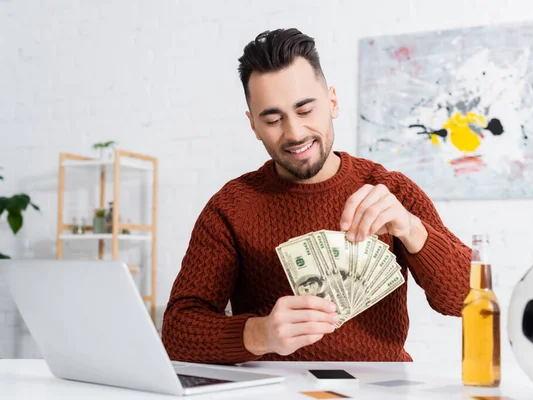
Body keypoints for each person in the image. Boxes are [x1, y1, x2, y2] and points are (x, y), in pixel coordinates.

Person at [161, 28, 471, 364]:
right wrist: (260, 334)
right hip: (274, 390)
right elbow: (178, 331)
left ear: (332, 102)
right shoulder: (230, 208)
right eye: (273, 119)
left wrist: (412, 229)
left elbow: (468, 299)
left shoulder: (390, 191)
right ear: (253, 126)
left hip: (380, 388)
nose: (294, 133)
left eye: (305, 110)